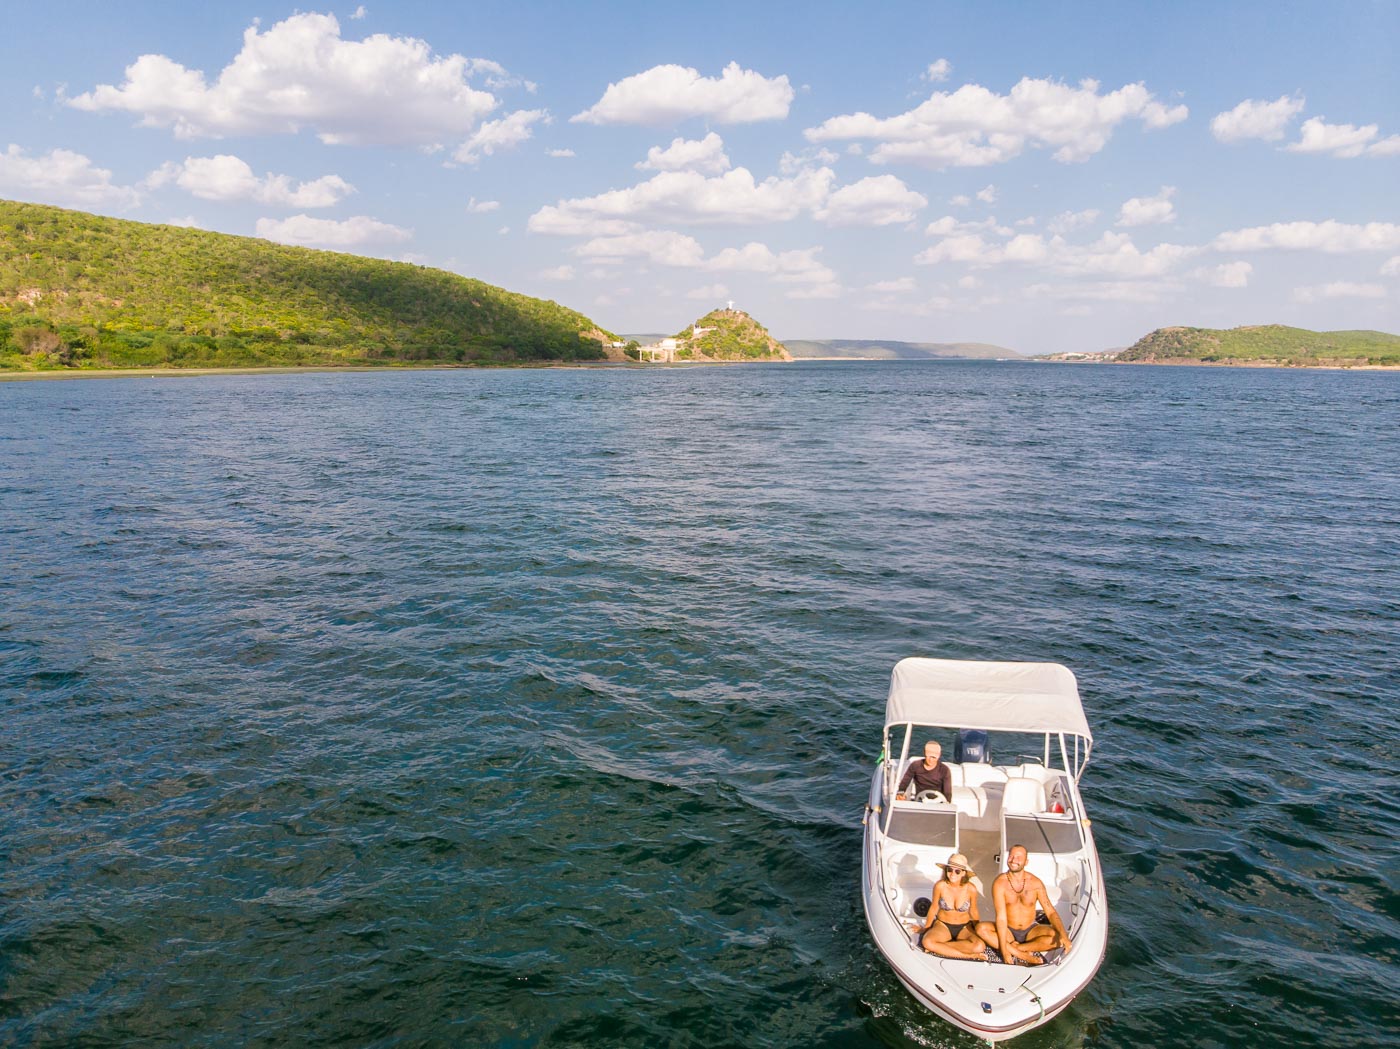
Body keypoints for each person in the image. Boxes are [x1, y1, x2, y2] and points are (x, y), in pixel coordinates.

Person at [979, 844, 1073, 965]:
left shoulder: (1035, 883)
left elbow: (1050, 911)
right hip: (1008, 930)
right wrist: (1004, 951)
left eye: (1018, 857)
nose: (1013, 860)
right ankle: (1021, 954)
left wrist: (1064, 936)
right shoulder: (1000, 883)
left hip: (1031, 930)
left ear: (1026, 861)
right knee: (981, 929)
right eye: (1011, 856)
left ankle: (1018, 949)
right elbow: (1001, 918)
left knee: (1059, 939)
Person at [914, 854, 989, 960]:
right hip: (943, 926)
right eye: (950, 870)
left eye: (957, 871)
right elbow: (934, 907)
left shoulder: (971, 889)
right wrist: (925, 929)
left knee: (980, 946)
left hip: (964, 927)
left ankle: (939, 948)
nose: (953, 874)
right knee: (927, 941)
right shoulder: (940, 886)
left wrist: (977, 929)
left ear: (963, 873)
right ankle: (968, 955)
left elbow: (973, 911)